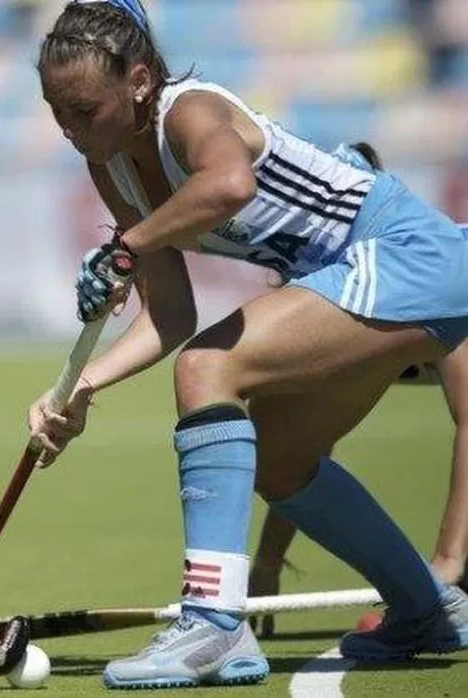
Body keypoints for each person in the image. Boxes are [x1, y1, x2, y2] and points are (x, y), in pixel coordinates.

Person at [28, 0, 468, 690]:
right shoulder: (109, 163)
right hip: (359, 279)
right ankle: (425, 609)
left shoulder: (189, 112)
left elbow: (231, 184)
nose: (69, 127)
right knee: (283, 461)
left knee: (210, 366)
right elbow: (170, 314)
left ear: (139, 81)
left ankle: (212, 623)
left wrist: (126, 246)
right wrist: (80, 388)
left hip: (407, 255)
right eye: (56, 111)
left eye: (83, 109)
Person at [247, 143, 468, 637]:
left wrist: (447, 564)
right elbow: (306, 448)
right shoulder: (347, 298)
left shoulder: (428, 275)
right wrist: (266, 565)